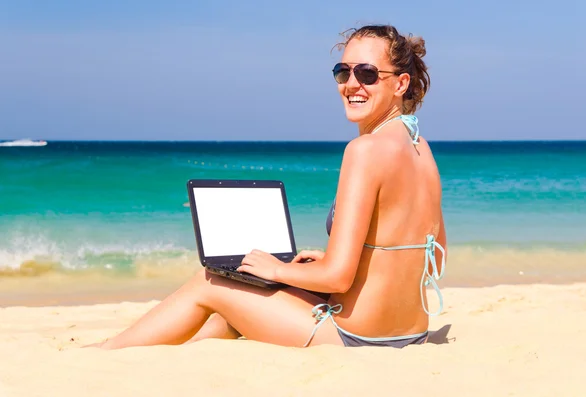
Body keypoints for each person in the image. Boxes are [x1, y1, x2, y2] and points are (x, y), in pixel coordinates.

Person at [89, 24, 447, 350]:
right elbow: (434, 254)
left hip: (358, 339)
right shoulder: (421, 149)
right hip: (409, 334)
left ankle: (105, 353)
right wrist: (344, 259)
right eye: (343, 71)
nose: (352, 84)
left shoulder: (364, 150)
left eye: (367, 73)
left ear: (400, 84)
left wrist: (276, 269)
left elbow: (337, 278)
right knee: (233, 313)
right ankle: (151, 350)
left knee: (210, 282)